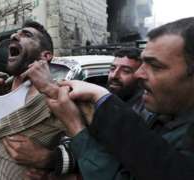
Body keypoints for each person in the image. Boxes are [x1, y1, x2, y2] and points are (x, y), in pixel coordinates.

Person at [43, 17, 194, 180]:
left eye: (156, 66)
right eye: (112, 68)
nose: (139, 74)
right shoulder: (159, 112)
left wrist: (76, 123)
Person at [1, 47, 152, 179]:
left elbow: (111, 164)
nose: (115, 75)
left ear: (140, 77)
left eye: (126, 71)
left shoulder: (145, 116)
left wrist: (50, 161)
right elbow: (71, 141)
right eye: (112, 69)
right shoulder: (97, 101)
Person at [0, 20, 69, 180]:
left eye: (27, 34)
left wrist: (50, 161)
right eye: (16, 33)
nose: (14, 35)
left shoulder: (58, 99)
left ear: (45, 56)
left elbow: (84, 149)